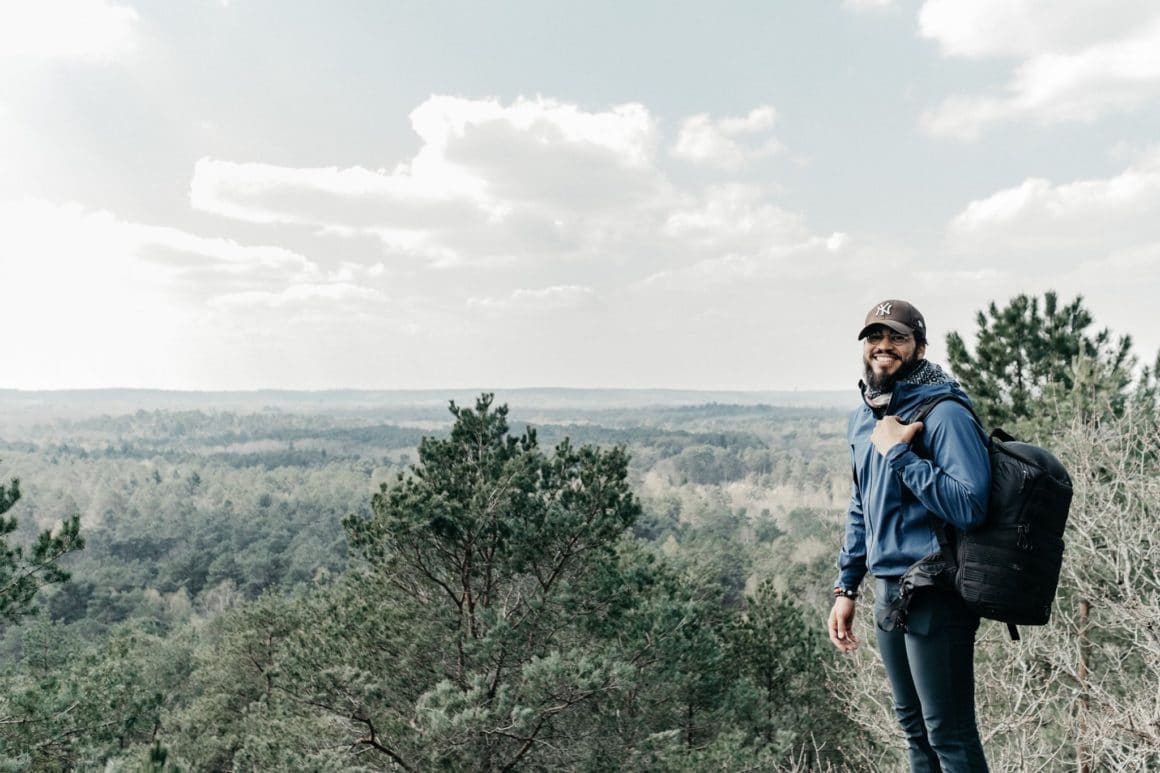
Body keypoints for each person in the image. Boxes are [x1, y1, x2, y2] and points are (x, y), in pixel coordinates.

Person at [827, 299, 991, 772]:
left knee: (948, 733)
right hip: (888, 591)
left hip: (936, 591)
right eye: (875, 338)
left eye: (897, 337)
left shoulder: (945, 412)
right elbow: (863, 503)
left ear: (919, 347)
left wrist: (902, 455)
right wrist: (846, 586)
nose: (883, 347)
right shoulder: (866, 416)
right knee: (914, 731)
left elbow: (970, 506)